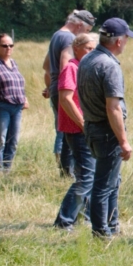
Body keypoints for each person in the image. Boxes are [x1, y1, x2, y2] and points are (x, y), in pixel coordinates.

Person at [77, 18, 133, 238]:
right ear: (119, 41)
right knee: (103, 185)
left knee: (110, 181)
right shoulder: (109, 65)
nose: (127, 42)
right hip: (106, 130)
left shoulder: (87, 59)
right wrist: (123, 141)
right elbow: (113, 108)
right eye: (127, 38)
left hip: (91, 126)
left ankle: (111, 225)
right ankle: (101, 232)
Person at [53, 33, 98, 230]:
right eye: (88, 48)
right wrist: (83, 124)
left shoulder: (83, 67)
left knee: (91, 174)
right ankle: (64, 220)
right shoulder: (71, 68)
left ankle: (83, 216)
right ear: (77, 48)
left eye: (93, 49)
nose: (91, 52)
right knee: (87, 176)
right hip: (76, 129)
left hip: (84, 128)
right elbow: (65, 99)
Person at [43, 9, 96, 176]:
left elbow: (46, 65)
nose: (85, 35)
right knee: (70, 132)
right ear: (79, 25)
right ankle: (68, 173)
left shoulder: (57, 34)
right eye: (86, 31)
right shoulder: (69, 38)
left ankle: (66, 171)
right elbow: (66, 65)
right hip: (66, 89)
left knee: (65, 131)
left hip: (57, 87)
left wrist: (52, 83)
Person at [0, 34, 29, 170]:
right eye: (4, 46)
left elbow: (18, 82)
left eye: (11, 45)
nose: (8, 48)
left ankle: (6, 170)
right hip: (0, 105)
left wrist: (24, 98)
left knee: (13, 141)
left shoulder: (13, 63)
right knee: (0, 140)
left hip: (16, 106)